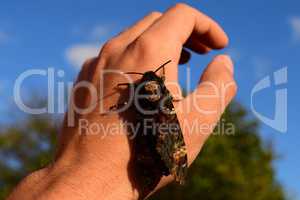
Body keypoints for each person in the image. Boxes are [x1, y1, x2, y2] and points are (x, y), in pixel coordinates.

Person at [7, 3, 237, 200]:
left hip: (149, 136)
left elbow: (135, 107)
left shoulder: (140, 94)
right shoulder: (156, 94)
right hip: (161, 133)